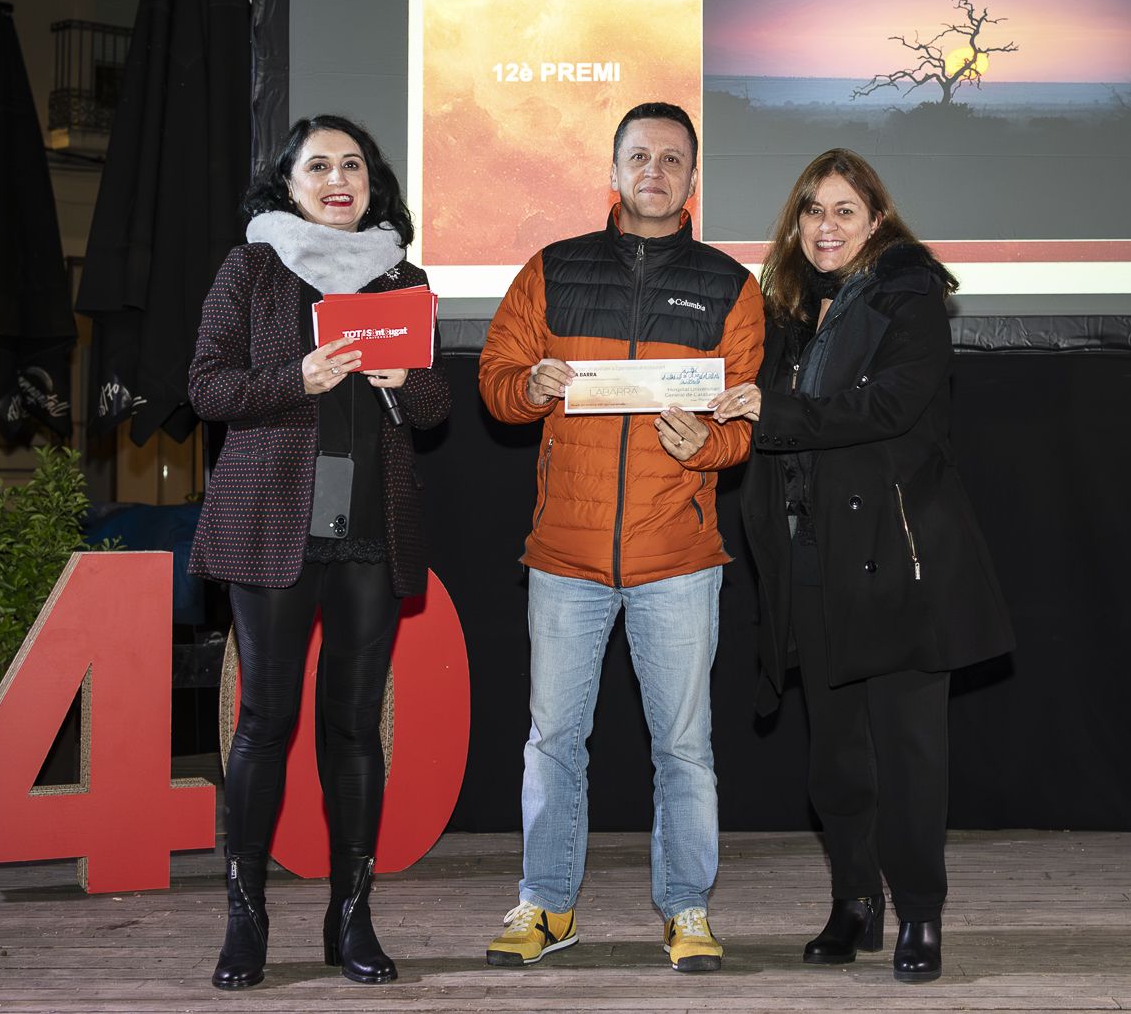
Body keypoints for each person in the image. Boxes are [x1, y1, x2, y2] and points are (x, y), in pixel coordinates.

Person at [708, 148, 1013, 984]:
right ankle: (854, 902)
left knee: (910, 755)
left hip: (897, 559)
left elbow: (891, 405)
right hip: (814, 558)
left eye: (845, 209)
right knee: (835, 757)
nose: (826, 224)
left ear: (876, 221)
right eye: (812, 209)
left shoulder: (909, 297)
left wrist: (777, 411)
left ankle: (919, 912)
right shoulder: (791, 314)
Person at [477, 102, 765, 973]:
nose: (655, 169)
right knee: (552, 742)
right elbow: (494, 379)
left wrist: (705, 443)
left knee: (684, 748)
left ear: (691, 178)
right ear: (614, 169)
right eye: (639, 154)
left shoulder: (730, 287)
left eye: (672, 158)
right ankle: (547, 905)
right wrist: (530, 385)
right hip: (564, 558)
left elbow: (743, 417)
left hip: (677, 559)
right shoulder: (551, 271)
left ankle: (687, 908)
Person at [188, 114, 450, 990]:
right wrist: (292, 380)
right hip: (272, 531)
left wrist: (403, 381)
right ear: (288, 184)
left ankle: (352, 913)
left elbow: (437, 406)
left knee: (353, 726)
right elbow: (207, 386)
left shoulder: (403, 279)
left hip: (371, 537)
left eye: (353, 165)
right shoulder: (251, 269)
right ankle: (246, 915)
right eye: (318, 166)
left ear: (372, 183)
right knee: (264, 721)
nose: (338, 178)